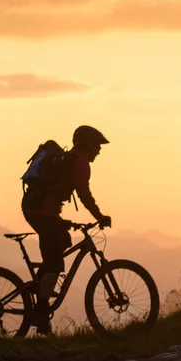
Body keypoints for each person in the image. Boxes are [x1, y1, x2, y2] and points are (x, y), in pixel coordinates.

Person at [21, 125, 113, 332]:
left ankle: (38, 287)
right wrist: (100, 216)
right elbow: (84, 195)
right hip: (40, 211)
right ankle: (41, 311)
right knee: (55, 264)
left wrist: (63, 222)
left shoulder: (70, 160)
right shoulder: (79, 164)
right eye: (97, 147)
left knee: (61, 242)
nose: (98, 151)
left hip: (39, 209)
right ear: (87, 146)